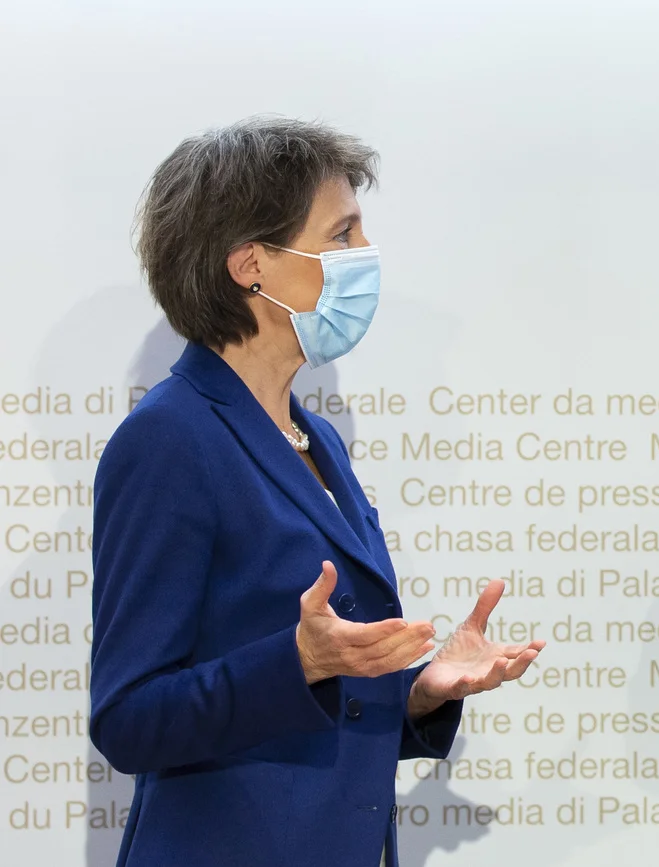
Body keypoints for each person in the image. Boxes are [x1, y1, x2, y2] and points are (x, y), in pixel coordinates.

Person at [89, 116, 545, 867]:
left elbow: (326, 705)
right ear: (252, 265)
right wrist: (296, 661)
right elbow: (128, 718)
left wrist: (421, 692)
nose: (365, 254)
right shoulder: (169, 438)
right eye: (342, 234)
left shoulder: (314, 436)